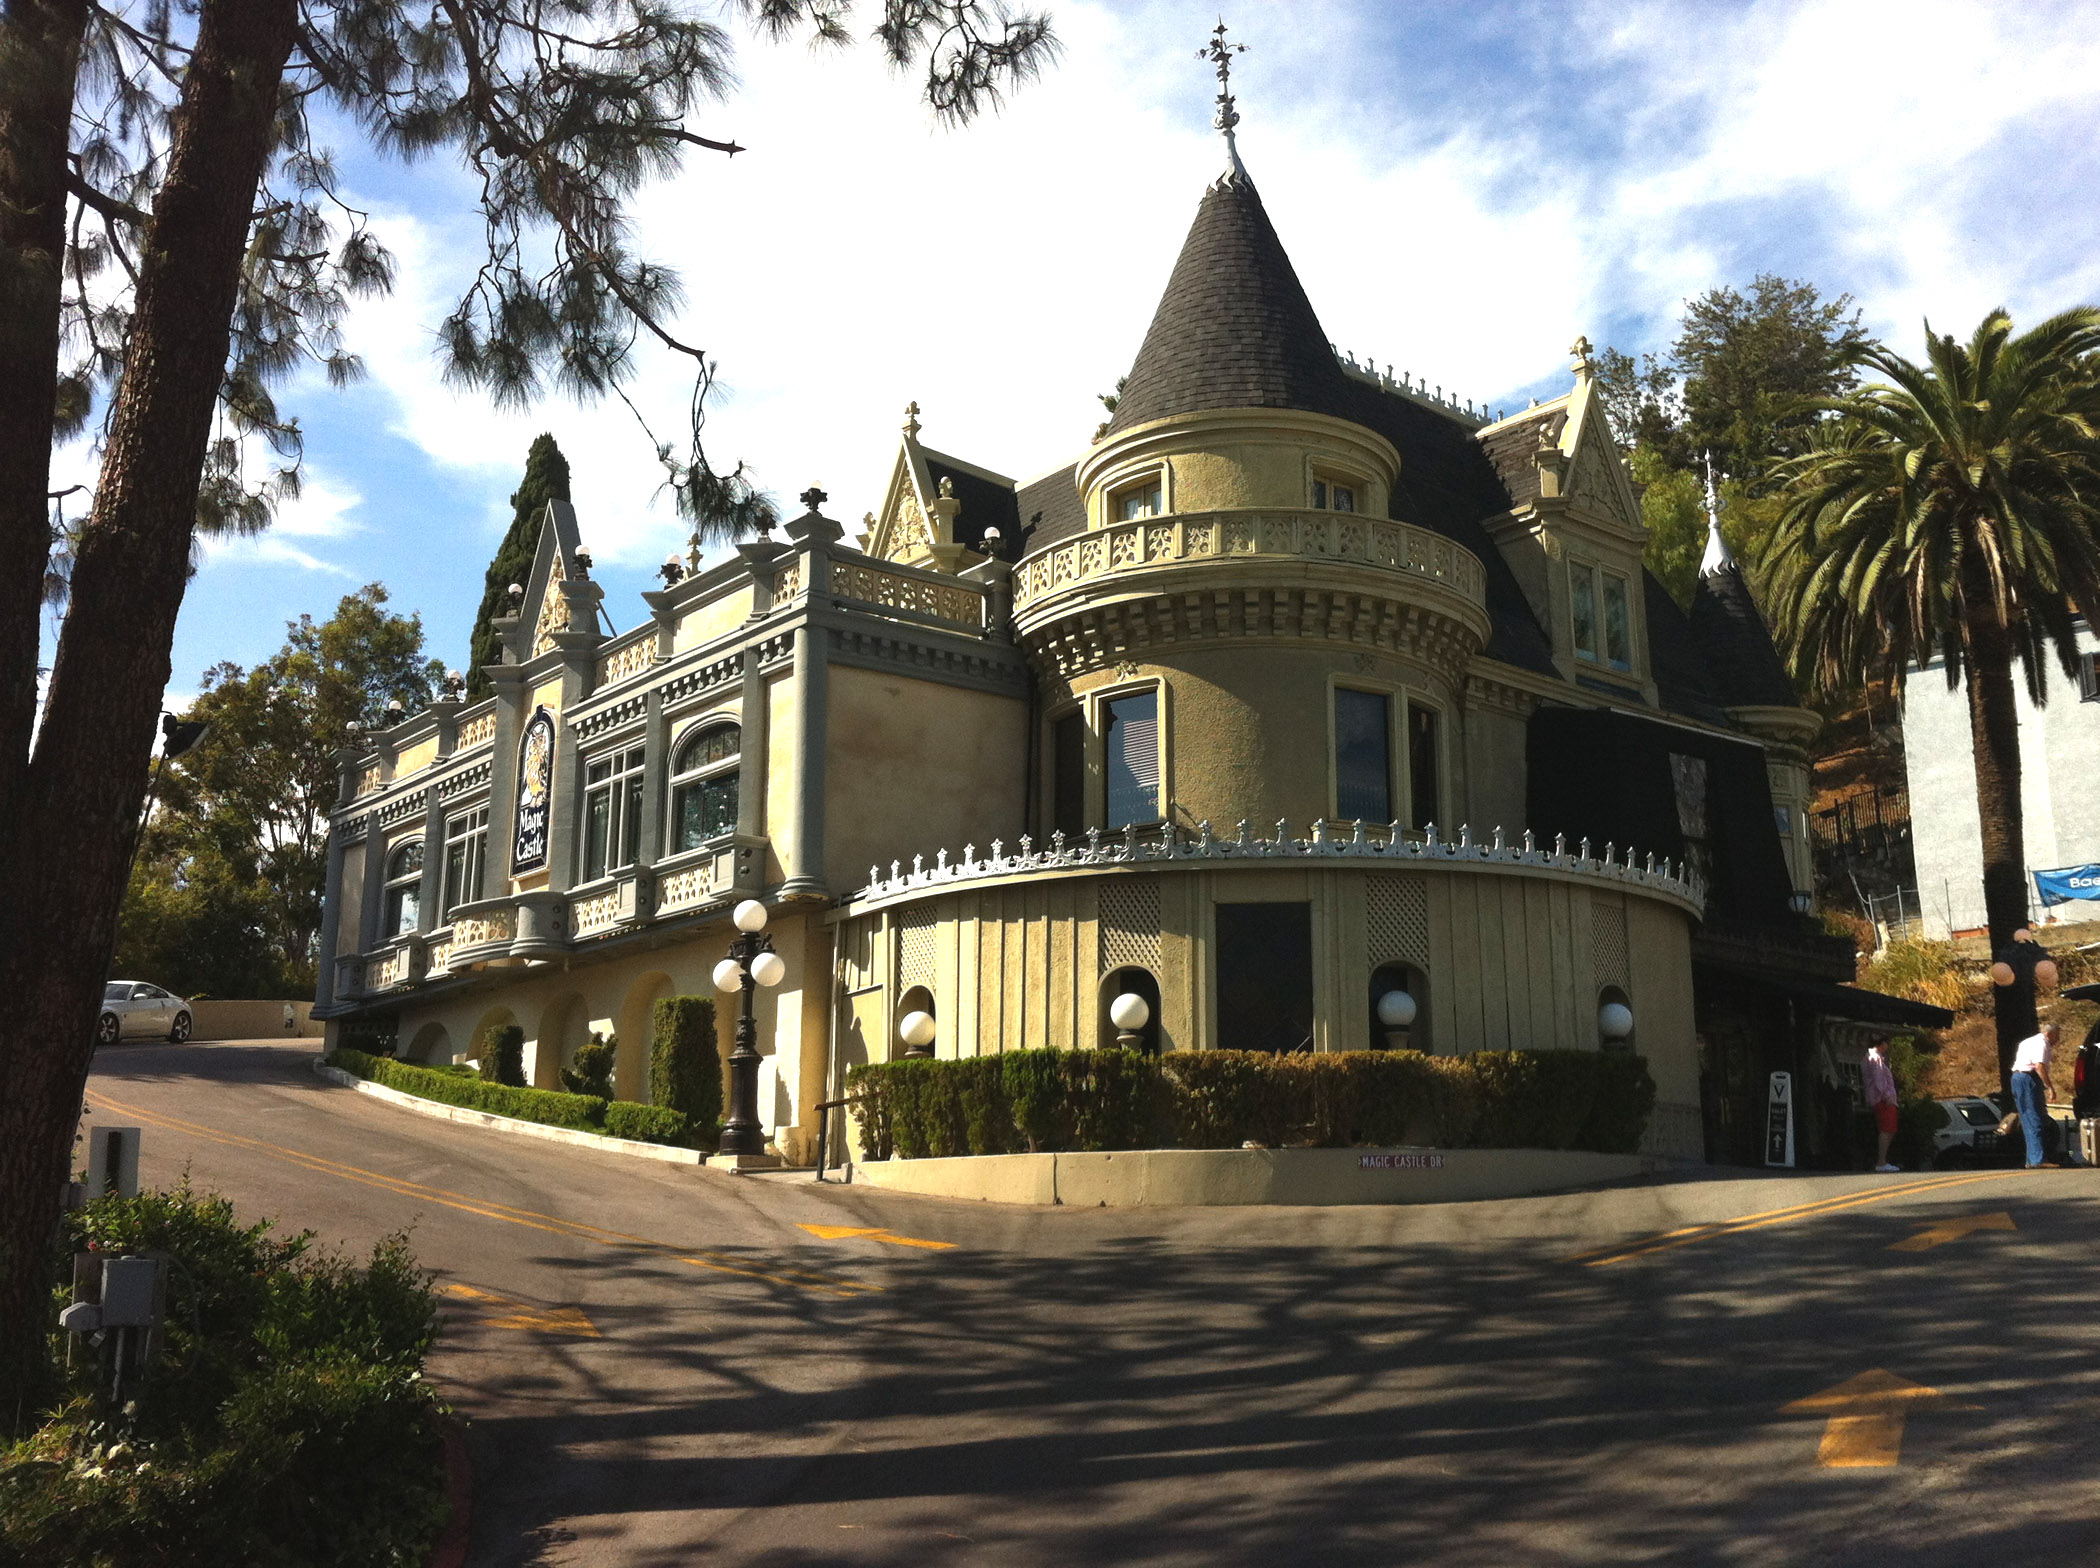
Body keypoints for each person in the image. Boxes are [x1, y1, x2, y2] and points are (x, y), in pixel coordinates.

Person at [2010, 1022, 2059, 1169]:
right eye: (2057, 1035)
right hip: (2028, 1079)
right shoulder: (2041, 1043)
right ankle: (2038, 1159)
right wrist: (2050, 1087)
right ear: (2050, 1034)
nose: (2058, 1039)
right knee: (2035, 1118)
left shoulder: (2027, 1041)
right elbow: (2039, 1066)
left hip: (2018, 1079)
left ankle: (2032, 1159)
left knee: (2028, 1120)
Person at [1862, 1041, 1900, 1173]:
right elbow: (1879, 1081)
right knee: (1886, 1129)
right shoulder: (1875, 1058)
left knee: (1890, 1129)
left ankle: (1883, 1160)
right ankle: (1881, 1161)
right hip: (1883, 1100)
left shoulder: (1872, 1057)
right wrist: (1886, 1096)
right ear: (1882, 1044)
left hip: (1883, 1099)